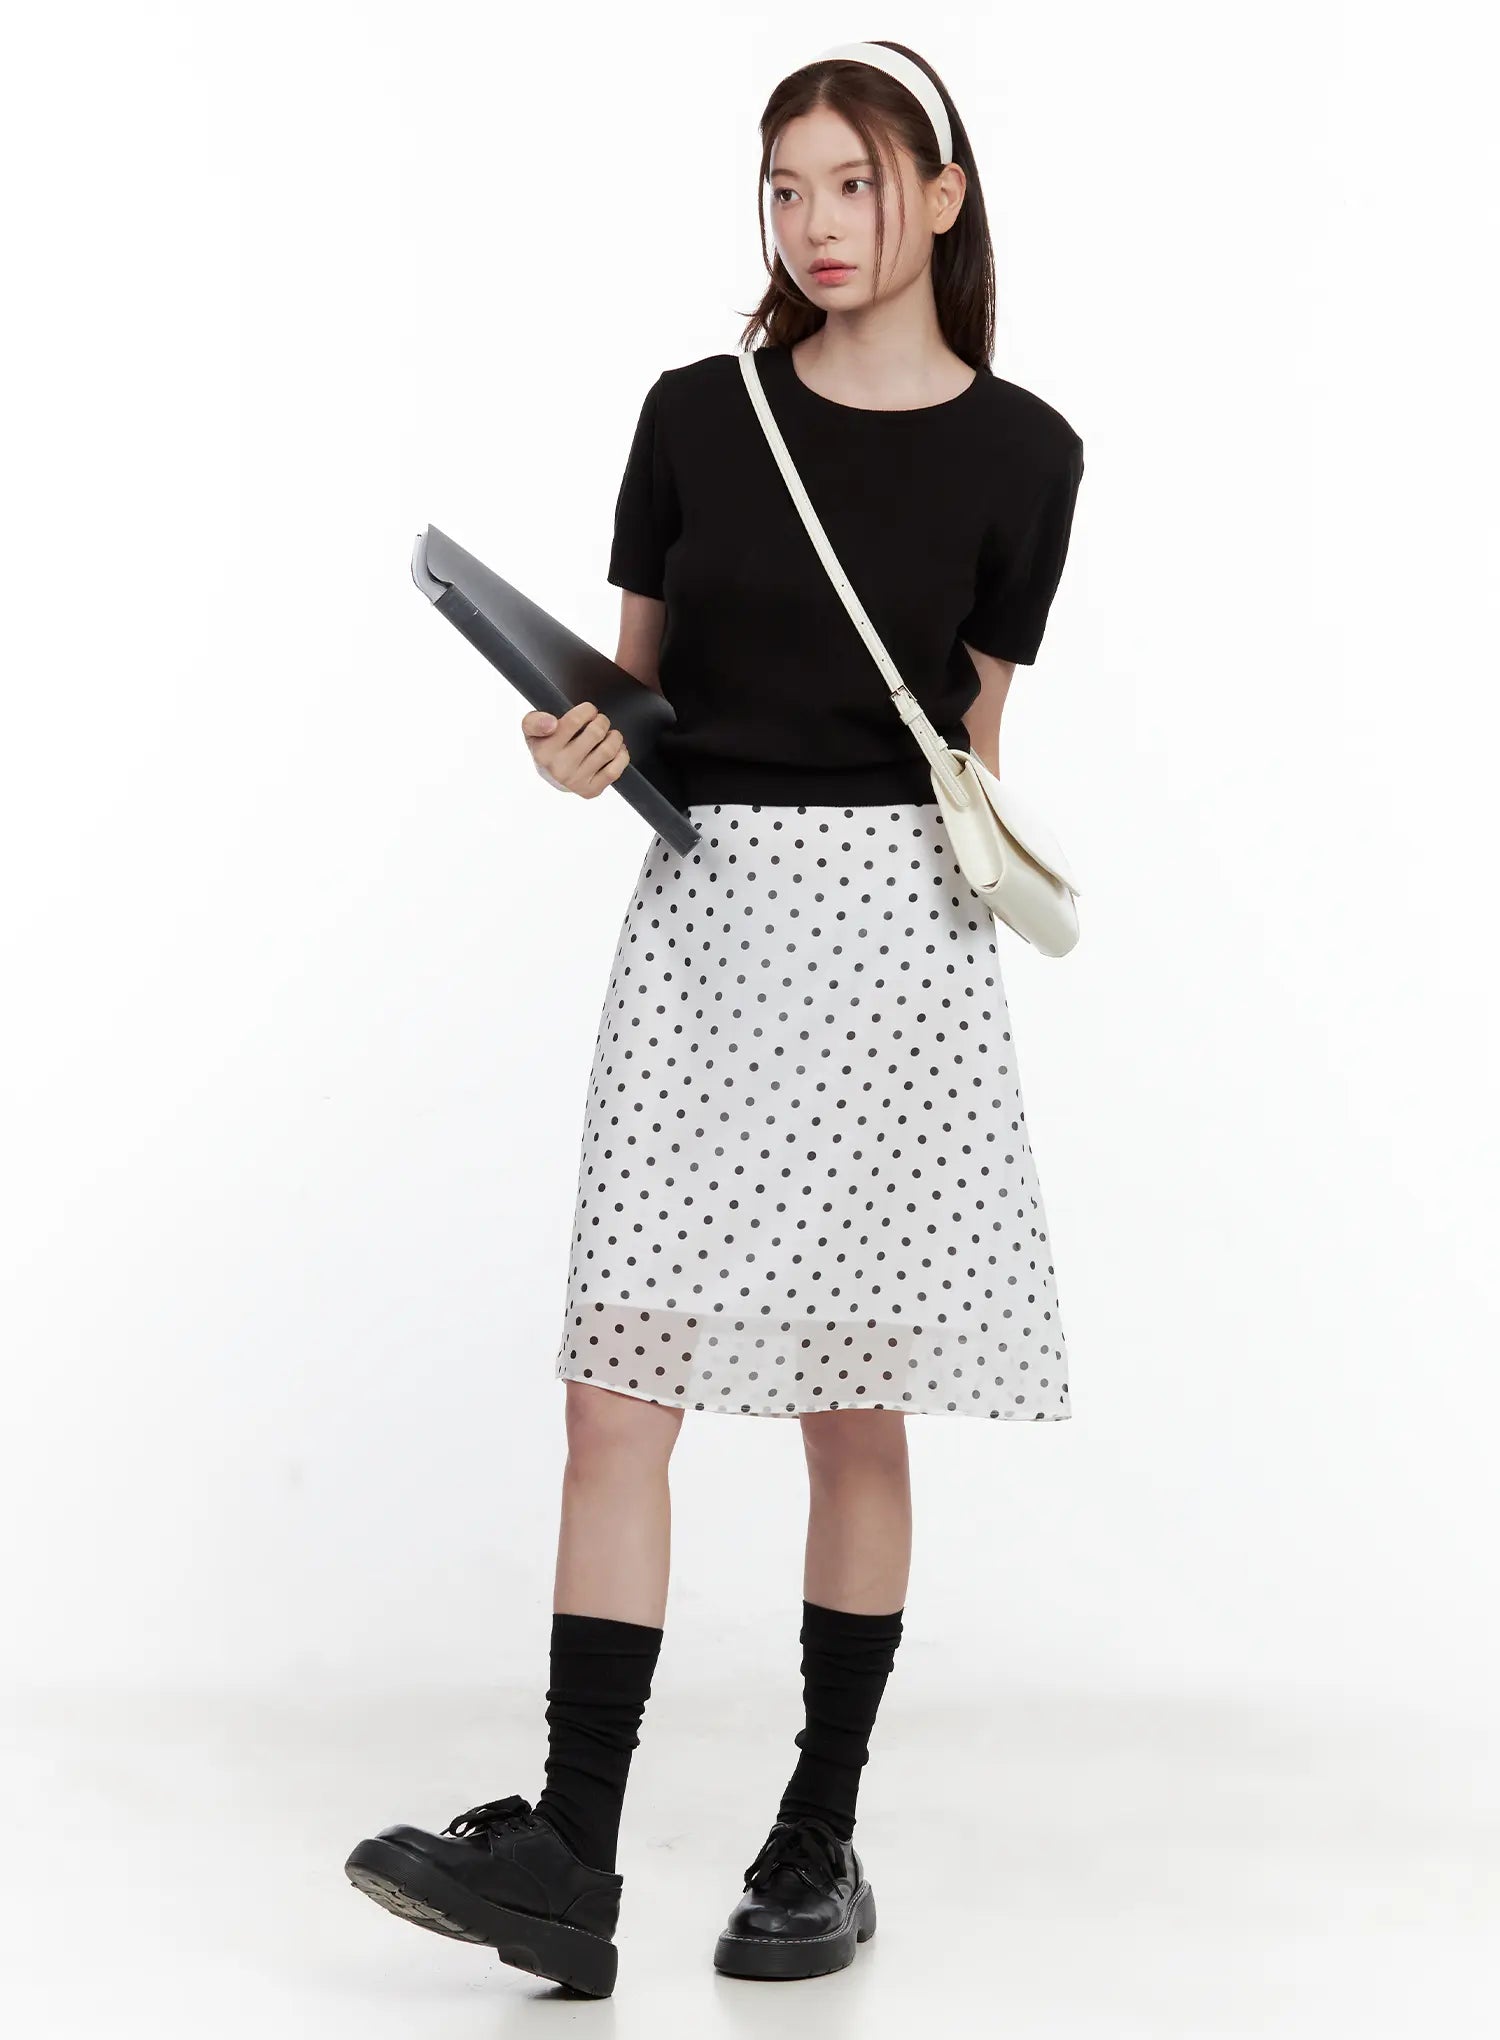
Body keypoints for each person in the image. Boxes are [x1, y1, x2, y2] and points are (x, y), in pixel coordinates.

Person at [344, 38, 1085, 2000]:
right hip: (701, 917)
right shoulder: (696, 413)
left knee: (853, 1401)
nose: (816, 223)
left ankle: (817, 1834)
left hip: (894, 941)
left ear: (941, 195)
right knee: (616, 1387)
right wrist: (579, 745)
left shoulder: (1030, 456)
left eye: (855, 181)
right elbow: (637, 695)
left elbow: (974, 744)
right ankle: (570, 1853)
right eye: (785, 187)